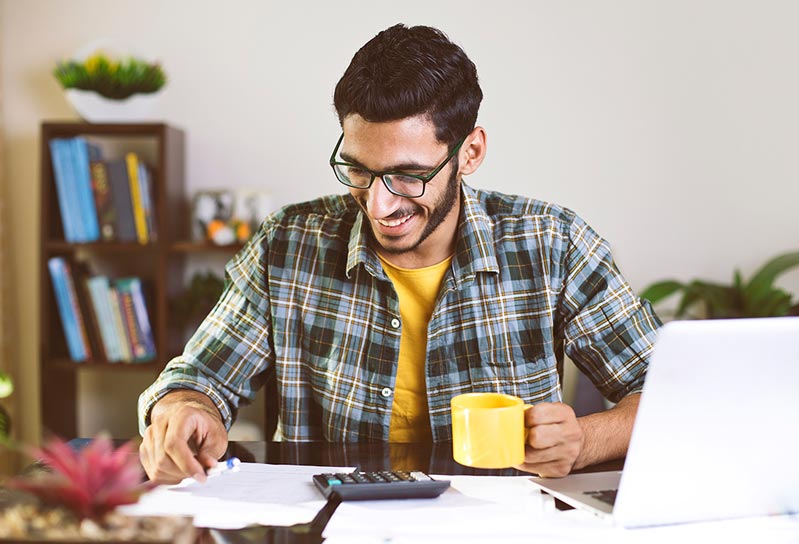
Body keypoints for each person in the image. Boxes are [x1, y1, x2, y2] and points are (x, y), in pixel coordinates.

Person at [138, 23, 661, 484]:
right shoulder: (288, 242)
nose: (380, 203)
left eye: (409, 175)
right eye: (359, 170)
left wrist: (585, 440)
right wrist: (184, 409)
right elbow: (200, 378)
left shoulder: (555, 242)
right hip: (331, 522)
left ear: (470, 152)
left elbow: (669, 390)